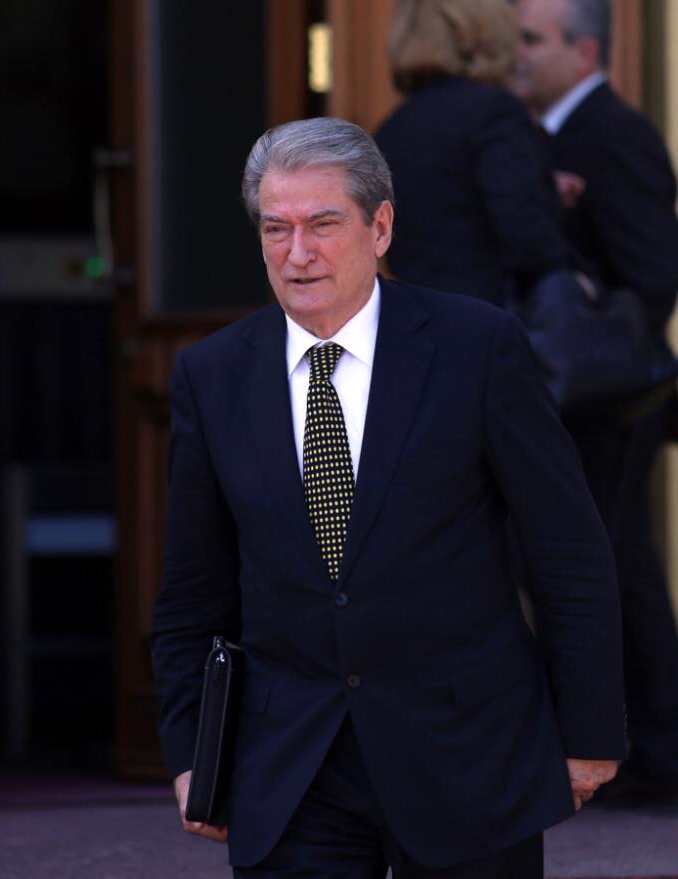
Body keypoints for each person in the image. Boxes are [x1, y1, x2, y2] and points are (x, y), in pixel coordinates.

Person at [151, 117, 624, 878]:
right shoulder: (212, 376)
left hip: (467, 755)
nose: (297, 253)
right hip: (291, 767)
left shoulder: (477, 347)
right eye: (275, 228)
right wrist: (188, 755)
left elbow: (567, 550)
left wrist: (590, 730)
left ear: (380, 227)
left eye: (322, 224)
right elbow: (190, 591)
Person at [513, 0, 678, 802]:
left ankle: (657, 753)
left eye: (531, 39)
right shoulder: (550, 135)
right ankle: (645, 749)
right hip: (581, 395)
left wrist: (591, 339)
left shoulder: (615, 134)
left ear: (584, 52)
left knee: (612, 563)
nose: (516, 54)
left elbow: (654, 275)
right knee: (611, 560)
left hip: (612, 396)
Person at [374, 0, 568, 307]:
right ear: (485, 36)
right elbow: (523, 230)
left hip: (420, 315)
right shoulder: (494, 113)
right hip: (489, 315)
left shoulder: (393, 127)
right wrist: (577, 277)